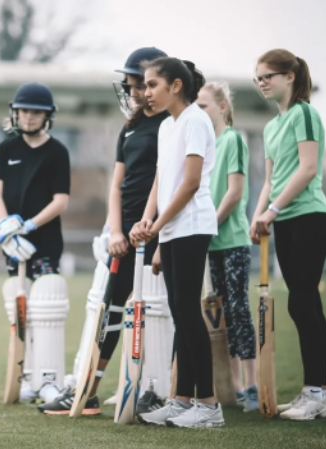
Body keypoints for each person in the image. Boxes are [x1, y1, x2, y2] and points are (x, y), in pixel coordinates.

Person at [39, 47, 172, 416]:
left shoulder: (172, 124)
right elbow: (117, 185)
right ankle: (88, 391)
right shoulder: (130, 127)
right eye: (128, 84)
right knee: (110, 310)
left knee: (162, 313)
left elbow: (169, 183)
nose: (130, 92)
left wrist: (153, 227)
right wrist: (116, 231)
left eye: (136, 84)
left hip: (158, 229)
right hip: (126, 233)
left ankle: (161, 391)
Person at [131, 57, 225, 428]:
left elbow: (190, 183)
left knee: (188, 314)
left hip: (192, 225)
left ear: (175, 86)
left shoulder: (196, 121)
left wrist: (155, 227)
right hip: (171, 229)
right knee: (180, 314)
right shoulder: (165, 127)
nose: (145, 92)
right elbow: (160, 178)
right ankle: (183, 400)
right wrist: (147, 218)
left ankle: (209, 406)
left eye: (152, 84)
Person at [251, 49, 326, 421]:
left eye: (268, 75)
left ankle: (318, 395)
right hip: (283, 220)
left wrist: (273, 210)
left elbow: (307, 169)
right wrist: (258, 215)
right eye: (258, 78)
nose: (261, 83)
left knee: (303, 301)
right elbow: (271, 179)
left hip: (310, 217)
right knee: (298, 302)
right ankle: (312, 392)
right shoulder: (271, 127)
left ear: (290, 76)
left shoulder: (305, 113)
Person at [0, 82, 71, 402]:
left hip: (45, 241)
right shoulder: (6, 147)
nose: (29, 117)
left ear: (47, 115)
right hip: (13, 242)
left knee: (45, 307)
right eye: (24, 111)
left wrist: (31, 225)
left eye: (36, 112)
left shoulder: (58, 151)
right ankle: (26, 375)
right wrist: (7, 228)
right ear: (15, 113)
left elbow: (61, 200)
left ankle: (48, 379)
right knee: (21, 310)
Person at [197, 82, 259, 411]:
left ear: (222, 107)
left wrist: (209, 225)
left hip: (232, 239)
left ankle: (251, 385)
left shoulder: (233, 139)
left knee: (238, 310)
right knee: (219, 315)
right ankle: (233, 386)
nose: (200, 112)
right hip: (211, 242)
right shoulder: (204, 146)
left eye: (204, 105)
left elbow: (234, 193)